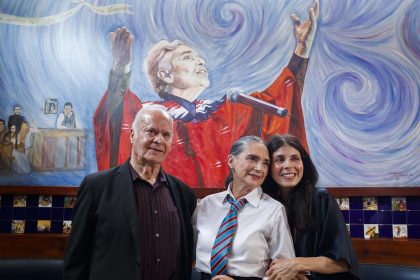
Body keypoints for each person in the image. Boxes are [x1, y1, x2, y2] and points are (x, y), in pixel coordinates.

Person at [94, 1, 319, 189]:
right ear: (166, 74)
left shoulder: (228, 111)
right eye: (188, 58)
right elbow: (116, 119)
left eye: (199, 58)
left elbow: (279, 99)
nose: (200, 61)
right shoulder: (152, 118)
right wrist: (120, 71)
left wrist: (301, 50)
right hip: (167, 213)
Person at [63, 106, 197, 280]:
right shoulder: (96, 187)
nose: (159, 140)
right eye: (151, 131)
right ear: (133, 136)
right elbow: (76, 259)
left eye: (166, 135)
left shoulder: (184, 194)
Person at [193, 136, 295, 279]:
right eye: (252, 159)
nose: (259, 168)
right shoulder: (206, 204)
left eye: (265, 163)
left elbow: (285, 270)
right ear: (231, 161)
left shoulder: (274, 210)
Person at [262, 134, 361, 279]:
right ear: (269, 167)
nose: (288, 165)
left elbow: (343, 263)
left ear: (304, 164)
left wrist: (296, 264)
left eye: (295, 158)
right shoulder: (263, 203)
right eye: (279, 159)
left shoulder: (321, 198)